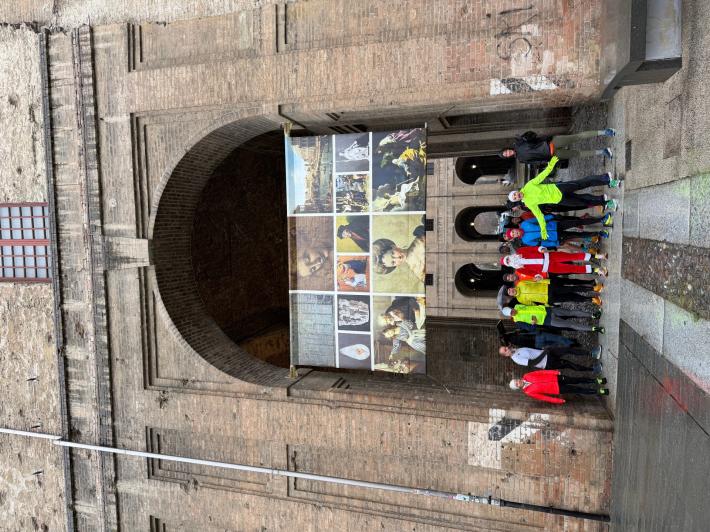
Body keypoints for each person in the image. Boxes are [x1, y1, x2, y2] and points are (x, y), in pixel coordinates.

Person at [506, 157, 620, 239]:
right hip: (559, 200)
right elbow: (539, 215)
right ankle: (606, 202)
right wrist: (543, 229)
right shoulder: (529, 203)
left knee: (582, 183)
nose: (517, 196)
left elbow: (541, 176)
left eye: (515, 194)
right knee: (583, 201)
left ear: (517, 191)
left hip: (559, 188)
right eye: (515, 198)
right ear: (517, 200)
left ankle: (606, 179)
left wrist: (550, 166)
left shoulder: (528, 186)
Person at [500, 129, 616, 164]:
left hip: (552, 143)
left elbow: (532, 135)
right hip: (553, 155)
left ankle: (605, 132)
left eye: (506, 151)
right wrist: (549, 162)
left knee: (577, 137)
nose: (508, 153)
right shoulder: (521, 159)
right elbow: (536, 161)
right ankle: (603, 151)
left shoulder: (519, 143)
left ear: (507, 149)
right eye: (506, 155)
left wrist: (524, 137)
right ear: (507, 157)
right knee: (577, 154)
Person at [505, 213, 612, 248]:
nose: (514, 233)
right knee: (577, 235)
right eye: (513, 235)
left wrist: (551, 216)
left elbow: (539, 219)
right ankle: (599, 233)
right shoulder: (526, 240)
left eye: (513, 231)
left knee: (577, 222)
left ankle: (601, 219)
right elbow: (541, 243)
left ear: (514, 229)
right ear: (514, 237)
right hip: (556, 237)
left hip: (554, 225)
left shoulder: (525, 224)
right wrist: (555, 243)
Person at [509, 370, 609, 404]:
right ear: (518, 388)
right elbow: (544, 398)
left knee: (576, 379)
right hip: (557, 389)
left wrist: (554, 372)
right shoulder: (528, 392)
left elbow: (541, 372)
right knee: (577, 389)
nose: (518, 382)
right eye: (516, 384)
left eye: (516, 381)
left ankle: (596, 380)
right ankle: (599, 391)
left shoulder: (527, 375)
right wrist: (558, 401)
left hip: (556, 378)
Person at [501, 246, 608, 276]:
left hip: (549, 256)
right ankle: (597, 270)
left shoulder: (520, 251)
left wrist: (540, 249)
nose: (510, 261)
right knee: (572, 268)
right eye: (508, 262)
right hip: (549, 268)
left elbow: (533, 248)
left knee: (572, 256)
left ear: (509, 256)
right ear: (509, 265)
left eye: (508, 259)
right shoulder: (519, 269)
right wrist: (538, 276)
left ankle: (597, 256)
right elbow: (532, 273)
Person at [501, 304, 604, 333]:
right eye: (511, 313)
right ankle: (594, 329)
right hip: (547, 321)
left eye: (511, 310)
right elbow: (531, 329)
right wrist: (533, 323)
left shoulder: (517, 306)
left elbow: (531, 304)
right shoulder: (517, 321)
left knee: (570, 312)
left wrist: (545, 305)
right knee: (570, 324)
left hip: (548, 310)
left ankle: (593, 315)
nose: (513, 311)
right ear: (510, 315)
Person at [499, 345, 602, 371]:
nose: (507, 348)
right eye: (505, 350)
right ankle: (593, 369)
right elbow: (532, 363)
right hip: (547, 363)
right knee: (569, 364)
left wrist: (543, 350)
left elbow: (532, 352)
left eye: (505, 347)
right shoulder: (516, 359)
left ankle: (592, 353)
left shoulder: (516, 349)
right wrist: (544, 353)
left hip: (548, 353)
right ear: (506, 355)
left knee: (567, 350)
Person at [507, 278, 602, 306]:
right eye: (510, 293)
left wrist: (547, 281)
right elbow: (533, 304)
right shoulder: (520, 299)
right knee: (570, 298)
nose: (511, 291)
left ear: (511, 287)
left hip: (549, 288)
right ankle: (592, 300)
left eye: (510, 289)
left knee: (571, 289)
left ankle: (593, 289)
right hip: (549, 299)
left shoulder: (521, 283)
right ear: (511, 295)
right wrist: (546, 305)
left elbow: (535, 281)